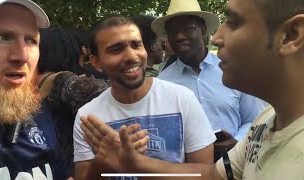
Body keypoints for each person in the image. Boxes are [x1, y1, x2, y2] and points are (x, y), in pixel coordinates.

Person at [82, 0, 304, 179]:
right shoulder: (265, 125)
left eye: (233, 22)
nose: (219, 37)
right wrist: (135, 163)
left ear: (292, 35)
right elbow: (211, 175)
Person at [73, 16, 216, 180]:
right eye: (116, 49)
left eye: (136, 45)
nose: (132, 56)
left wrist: (138, 163)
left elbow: (206, 174)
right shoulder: (88, 118)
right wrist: (103, 162)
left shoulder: (182, 99)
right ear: (97, 63)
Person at [153, 0, 265, 155]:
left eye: (188, 28)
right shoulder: (162, 83)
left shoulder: (235, 70)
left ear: (203, 30)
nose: (179, 36)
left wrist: (236, 143)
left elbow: (255, 119)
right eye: (173, 31)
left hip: (236, 166)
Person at [0, 0, 71, 179]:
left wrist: (100, 167)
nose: (22, 55)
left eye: (31, 40)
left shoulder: (39, 114)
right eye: (3, 37)